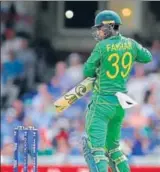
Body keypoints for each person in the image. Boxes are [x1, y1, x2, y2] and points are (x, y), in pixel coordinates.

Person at [82, 10, 152, 172]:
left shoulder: (102, 47)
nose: (98, 32)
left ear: (109, 27)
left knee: (96, 149)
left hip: (101, 102)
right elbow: (147, 57)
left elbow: (87, 71)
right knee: (114, 149)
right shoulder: (131, 44)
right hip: (119, 104)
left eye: (100, 28)